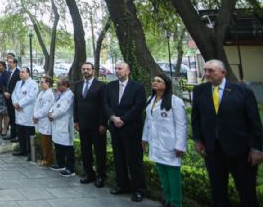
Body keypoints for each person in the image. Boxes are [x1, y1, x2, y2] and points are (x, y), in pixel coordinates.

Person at [191, 59, 263, 207]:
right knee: (218, 192)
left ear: (223, 73)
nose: (207, 74)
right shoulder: (199, 91)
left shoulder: (243, 91)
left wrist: (256, 148)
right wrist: (197, 140)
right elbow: (196, 118)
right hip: (213, 151)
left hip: (240, 151)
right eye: (205, 70)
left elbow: (254, 122)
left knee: (246, 191)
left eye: (211, 71)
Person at [104, 62, 147, 202]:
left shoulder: (137, 87)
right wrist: (112, 117)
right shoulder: (110, 86)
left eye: (120, 69)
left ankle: (138, 189)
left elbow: (139, 106)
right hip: (115, 129)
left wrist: (123, 119)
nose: (117, 71)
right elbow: (106, 104)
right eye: (116, 68)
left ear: (128, 71)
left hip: (131, 129)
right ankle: (122, 185)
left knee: (134, 160)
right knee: (119, 158)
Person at [142, 73, 186, 207]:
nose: (155, 83)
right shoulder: (151, 99)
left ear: (166, 85)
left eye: (159, 81)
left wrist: (180, 145)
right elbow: (148, 121)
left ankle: (176, 202)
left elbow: (181, 124)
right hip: (156, 142)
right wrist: (144, 138)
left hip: (171, 144)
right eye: (154, 80)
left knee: (173, 174)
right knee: (162, 173)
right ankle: (167, 199)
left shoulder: (175, 101)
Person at [74, 62, 108, 188]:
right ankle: (89, 173)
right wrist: (76, 120)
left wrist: (103, 123)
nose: (86, 71)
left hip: (97, 125)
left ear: (93, 71)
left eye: (88, 69)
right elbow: (76, 103)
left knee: (100, 151)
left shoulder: (101, 86)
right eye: (84, 69)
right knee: (86, 150)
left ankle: (101, 176)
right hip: (82, 124)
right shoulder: (78, 85)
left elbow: (103, 106)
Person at [48, 77, 75, 177]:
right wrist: (50, 112)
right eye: (57, 85)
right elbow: (55, 105)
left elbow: (62, 109)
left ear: (66, 85)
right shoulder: (61, 94)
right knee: (58, 144)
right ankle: (60, 164)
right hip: (57, 123)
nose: (58, 87)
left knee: (67, 146)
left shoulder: (69, 95)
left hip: (65, 123)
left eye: (60, 85)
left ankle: (70, 168)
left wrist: (52, 115)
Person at [12, 67, 38, 159]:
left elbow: (31, 97)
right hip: (18, 111)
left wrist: (19, 104)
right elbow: (13, 94)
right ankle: (22, 150)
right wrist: (15, 103)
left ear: (28, 73)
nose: (21, 74)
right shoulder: (18, 83)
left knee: (28, 133)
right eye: (20, 72)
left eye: (23, 72)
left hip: (27, 111)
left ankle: (30, 152)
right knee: (21, 132)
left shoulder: (33, 83)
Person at [33, 75, 55, 166]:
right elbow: (37, 106)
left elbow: (46, 109)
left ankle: (48, 160)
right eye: (40, 82)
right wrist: (35, 115)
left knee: (47, 142)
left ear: (48, 83)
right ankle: (44, 158)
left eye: (42, 82)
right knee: (43, 141)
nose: (40, 84)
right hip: (40, 120)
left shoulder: (50, 94)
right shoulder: (42, 92)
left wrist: (36, 115)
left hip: (46, 121)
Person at [3, 57, 21, 141]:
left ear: (15, 63)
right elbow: (3, 84)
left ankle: (17, 135)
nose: (8, 64)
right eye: (8, 62)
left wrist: (10, 93)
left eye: (10, 62)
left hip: (14, 99)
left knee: (15, 117)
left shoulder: (19, 73)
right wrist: (5, 92)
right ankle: (12, 134)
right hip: (7, 98)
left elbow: (18, 87)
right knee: (10, 116)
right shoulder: (7, 73)